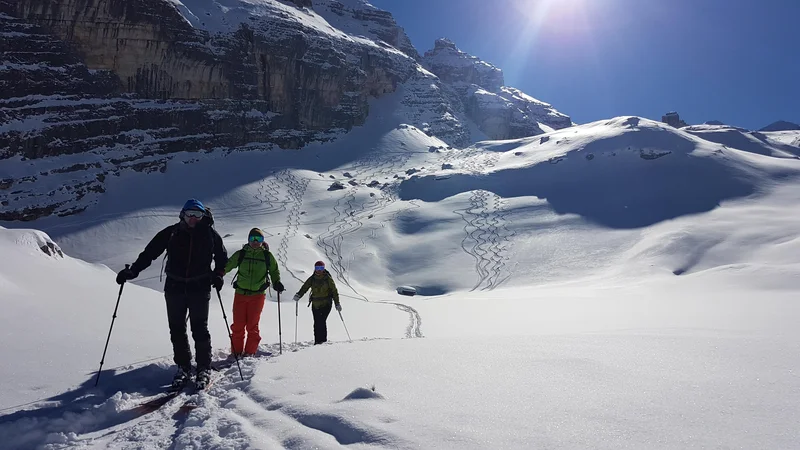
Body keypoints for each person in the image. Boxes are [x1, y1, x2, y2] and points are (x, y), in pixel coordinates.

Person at [116, 199, 227, 389]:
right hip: (174, 286)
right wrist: (133, 271)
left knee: (199, 328)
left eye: (197, 215)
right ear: (182, 214)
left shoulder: (210, 235)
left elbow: (222, 257)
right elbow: (150, 253)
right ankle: (183, 366)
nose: (193, 218)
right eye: (189, 214)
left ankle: (203, 368)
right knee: (176, 329)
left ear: (203, 217)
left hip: (199, 286)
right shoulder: (171, 233)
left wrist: (218, 275)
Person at [222, 228, 284, 357]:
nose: (255, 242)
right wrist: (219, 274)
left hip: (257, 296)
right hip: (240, 294)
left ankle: (249, 353)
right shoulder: (241, 254)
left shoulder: (267, 256)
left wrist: (277, 282)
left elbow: (274, 270)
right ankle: (236, 353)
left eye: (259, 239)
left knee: (252, 326)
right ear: (248, 240)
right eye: (252, 239)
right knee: (238, 326)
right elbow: (228, 265)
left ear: (262, 241)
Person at [293, 261, 341, 344]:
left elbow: (334, 291)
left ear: (323, 269)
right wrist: (298, 295)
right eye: (317, 268)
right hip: (315, 304)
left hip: (326, 303)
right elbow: (305, 287)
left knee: (321, 321)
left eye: (321, 268)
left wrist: (337, 303)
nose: (319, 270)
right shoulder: (312, 279)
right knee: (317, 322)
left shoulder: (328, 279)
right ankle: (317, 341)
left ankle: (322, 341)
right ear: (315, 269)